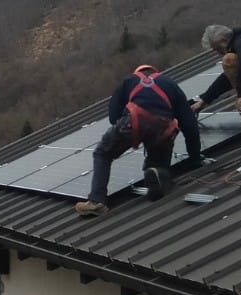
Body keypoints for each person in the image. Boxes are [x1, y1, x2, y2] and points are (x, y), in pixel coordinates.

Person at [75, 64, 202, 217]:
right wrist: (195, 158)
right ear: (156, 72)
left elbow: (113, 117)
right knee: (158, 162)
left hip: (133, 122)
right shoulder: (170, 84)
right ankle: (157, 175)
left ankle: (97, 201)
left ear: (137, 72)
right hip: (163, 128)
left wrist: (129, 134)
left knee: (103, 153)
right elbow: (190, 125)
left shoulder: (128, 81)